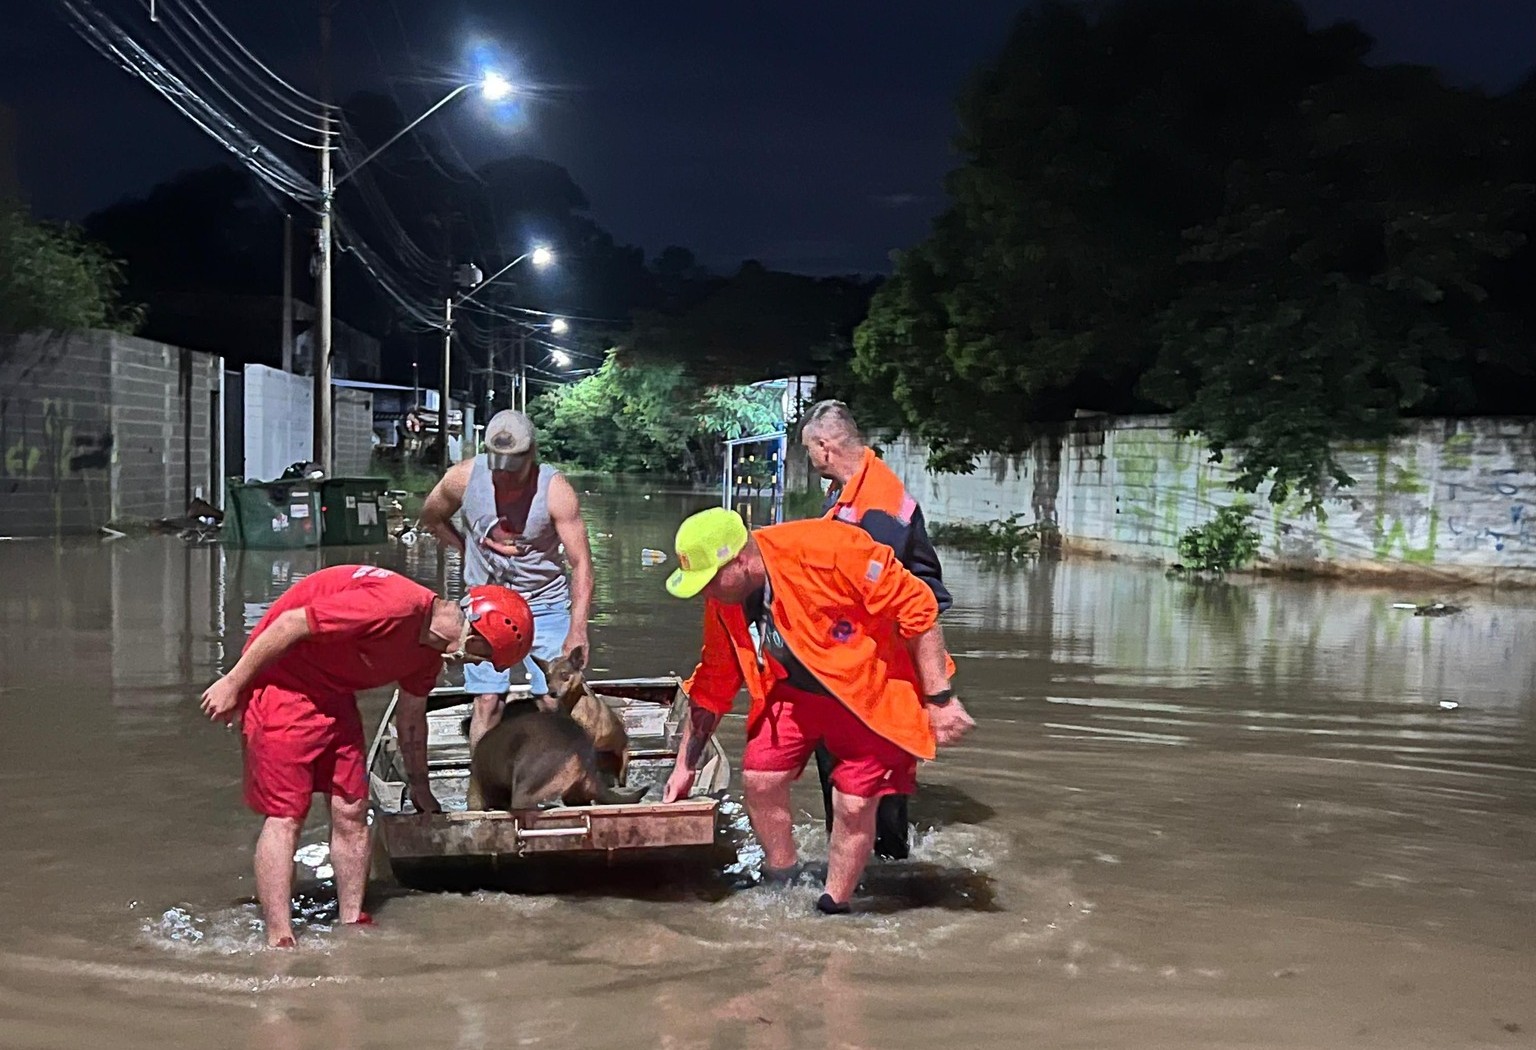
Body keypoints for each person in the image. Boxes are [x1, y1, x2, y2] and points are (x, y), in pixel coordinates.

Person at [660, 507, 975, 914]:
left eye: (708, 582)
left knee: (855, 804)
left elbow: (919, 607)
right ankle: (781, 877)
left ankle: (833, 906)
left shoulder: (832, 551)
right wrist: (686, 763)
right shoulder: (727, 596)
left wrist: (940, 701)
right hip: (794, 693)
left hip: (872, 688)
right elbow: (715, 678)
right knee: (759, 777)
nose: (706, 594)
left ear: (739, 560)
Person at [199, 565, 533, 948]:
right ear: (476, 633)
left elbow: (411, 719)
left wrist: (420, 786)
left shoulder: (427, 655)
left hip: (334, 696)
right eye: (484, 656)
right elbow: (290, 623)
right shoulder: (393, 606)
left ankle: (352, 921)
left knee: (352, 809)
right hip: (282, 687)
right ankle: (280, 938)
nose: (477, 664)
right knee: (287, 814)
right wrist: (233, 683)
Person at [799, 399, 953, 860]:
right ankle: (853, 861)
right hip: (860, 657)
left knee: (870, 773)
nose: (811, 462)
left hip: (880, 663)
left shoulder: (877, 507)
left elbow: (887, 597)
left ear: (825, 447)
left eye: (810, 451)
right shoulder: (849, 492)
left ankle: (881, 874)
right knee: (844, 767)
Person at [419, 409, 595, 751]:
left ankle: (562, 779)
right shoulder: (463, 477)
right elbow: (431, 517)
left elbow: (582, 564)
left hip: (543, 600)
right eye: (501, 471)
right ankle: (481, 789)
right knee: (487, 700)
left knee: (553, 699)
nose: (508, 481)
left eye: (516, 471)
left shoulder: (555, 490)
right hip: (487, 603)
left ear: (532, 455)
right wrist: (466, 549)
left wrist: (578, 628)